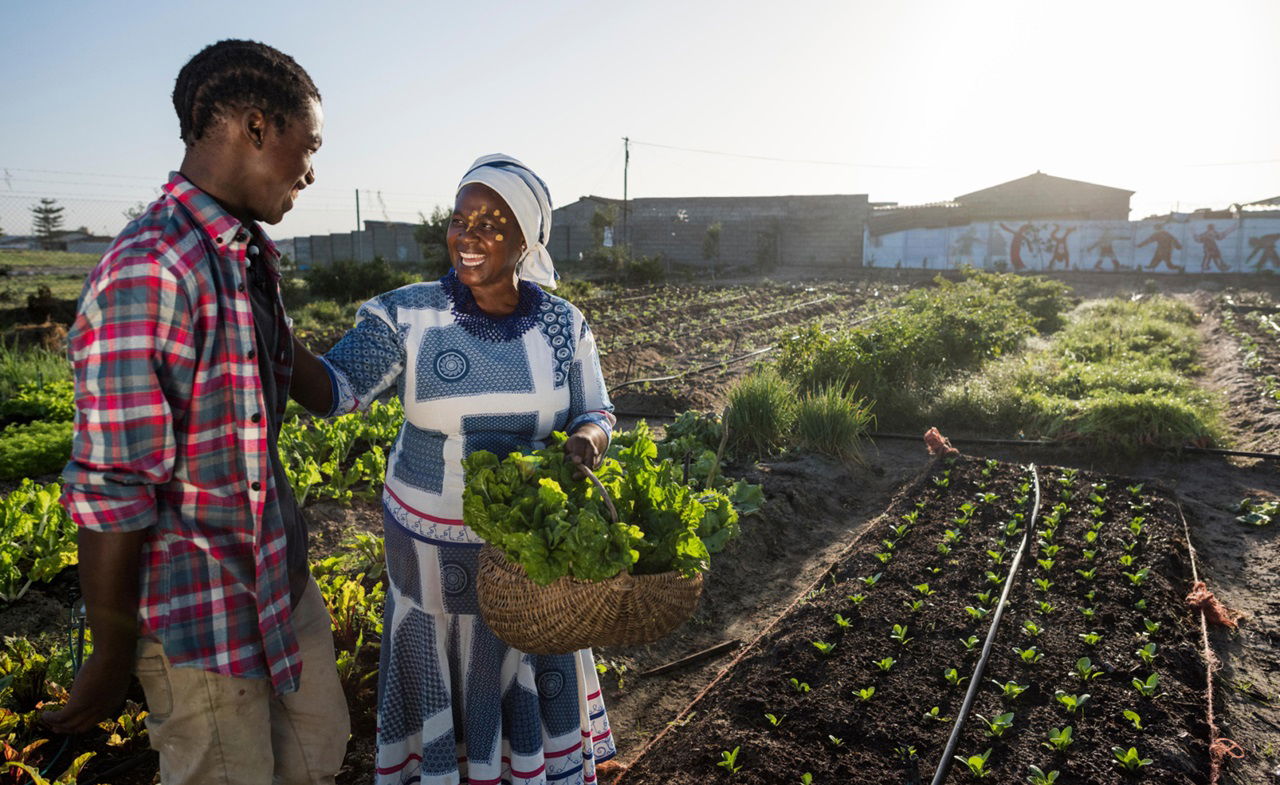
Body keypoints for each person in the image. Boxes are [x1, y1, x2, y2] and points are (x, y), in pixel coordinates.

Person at [45, 40, 349, 785]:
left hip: (279, 586)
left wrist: (418, 332)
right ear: (253, 127)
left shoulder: (244, 252)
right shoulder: (154, 267)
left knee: (319, 750)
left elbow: (296, 373)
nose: (311, 172)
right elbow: (112, 489)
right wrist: (110, 656)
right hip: (199, 621)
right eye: (306, 148)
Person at [290, 154, 619, 785]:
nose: (469, 237)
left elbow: (598, 410)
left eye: (491, 223)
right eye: (459, 219)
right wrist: (269, 330)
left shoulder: (562, 324)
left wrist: (586, 440)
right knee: (439, 672)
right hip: (431, 551)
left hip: (529, 557)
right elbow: (335, 390)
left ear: (526, 239)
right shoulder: (407, 315)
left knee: (523, 660)